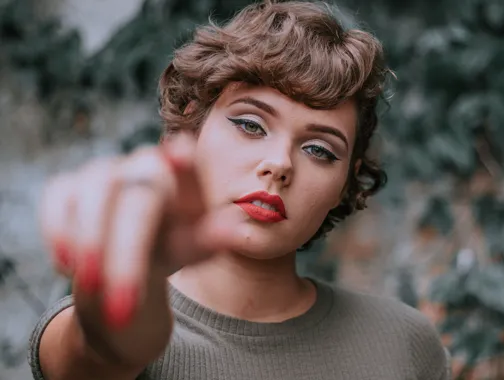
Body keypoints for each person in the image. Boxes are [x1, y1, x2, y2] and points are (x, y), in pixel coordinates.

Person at [28, 1, 450, 379]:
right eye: (251, 125)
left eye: (319, 150)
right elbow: (97, 352)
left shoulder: (405, 342)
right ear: (189, 128)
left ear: (347, 181)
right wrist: (119, 311)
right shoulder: (81, 333)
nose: (280, 163)